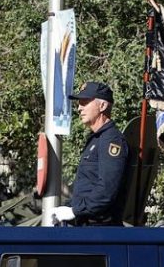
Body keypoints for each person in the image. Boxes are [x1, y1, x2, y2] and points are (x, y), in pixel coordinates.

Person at [51, 81, 132, 227]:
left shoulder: (111, 140)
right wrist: (70, 207)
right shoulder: (96, 139)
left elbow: (107, 190)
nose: (79, 108)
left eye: (85, 102)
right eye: (79, 103)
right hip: (86, 227)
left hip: (101, 231)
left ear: (102, 106)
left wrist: (75, 211)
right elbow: (87, 185)